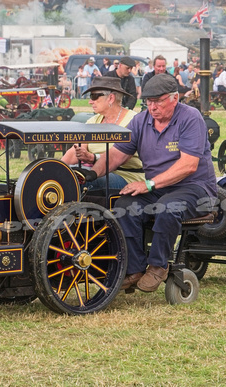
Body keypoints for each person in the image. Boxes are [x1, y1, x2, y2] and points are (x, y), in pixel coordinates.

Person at [87, 74, 217, 292]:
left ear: (174, 98)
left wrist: (148, 184)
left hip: (195, 188)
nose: (153, 107)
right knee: (124, 206)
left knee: (168, 207)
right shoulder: (141, 120)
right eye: (148, 101)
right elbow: (117, 155)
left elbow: (188, 166)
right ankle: (135, 269)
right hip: (159, 187)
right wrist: (89, 176)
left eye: (158, 101)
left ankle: (158, 266)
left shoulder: (190, 118)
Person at [62, 77, 142, 191]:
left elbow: (120, 155)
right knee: (63, 176)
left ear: (110, 98)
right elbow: (74, 152)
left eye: (94, 96)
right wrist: (57, 169)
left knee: (75, 180)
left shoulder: (133, 120)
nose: (90, 101)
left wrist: (93, 158)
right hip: (95, 172)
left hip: (126, 176)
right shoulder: (93, 120)